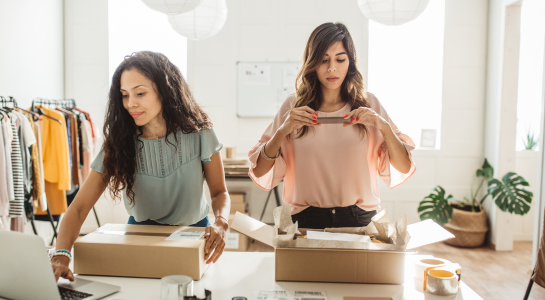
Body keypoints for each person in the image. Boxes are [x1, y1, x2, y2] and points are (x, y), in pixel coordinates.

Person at [50, 51, 230, 282]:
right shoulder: (119, 141)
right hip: (139, 234)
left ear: (165, 91)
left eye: (140, 93)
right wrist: (61, 254)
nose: (130, 103)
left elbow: (219, 192)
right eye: (124, 95)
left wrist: (221, 223)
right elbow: (78, 208)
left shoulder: (200, 132)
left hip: (195, 235)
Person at [249, 22, 416, 229]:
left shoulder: (368, 104)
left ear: (350, 62)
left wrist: (383, 126)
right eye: (323, 60)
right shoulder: (293, 107)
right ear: (312, 63)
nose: (332, 68)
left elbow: (404, 166)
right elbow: (259, 171)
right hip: (306, 220)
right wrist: (283, 130)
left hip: (360, 220)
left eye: (340, 59)